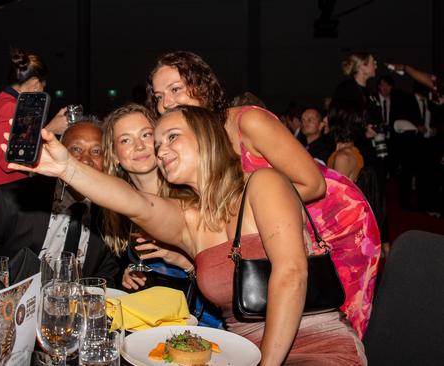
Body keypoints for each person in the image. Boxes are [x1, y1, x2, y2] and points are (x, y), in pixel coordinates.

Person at [6, 106, 366, 365]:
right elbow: (134, 203)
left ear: (208, 138)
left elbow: (291, 275)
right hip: (232, 354)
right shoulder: (190, 220)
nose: (160, 150)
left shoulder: (263, 185)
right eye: (158, 142)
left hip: (314, 346)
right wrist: (67, 168)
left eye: (171, 137)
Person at [145, 50, 380, 338]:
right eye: (158, 96)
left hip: (337, 224)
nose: (165, 103)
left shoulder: (247, 123)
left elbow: (313, 185)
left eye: (175, 89)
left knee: (331, 315)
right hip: (284, 229)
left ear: (201, 86)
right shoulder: (191, 144)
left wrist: (259, 205)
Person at [100, 103, 224, 328]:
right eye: (125, 140)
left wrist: (182, 260)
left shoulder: (191, 196)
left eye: (146, 135)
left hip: (203, 321)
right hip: (152, 322)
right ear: (114, 155)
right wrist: (127, 275)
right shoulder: (116, 209)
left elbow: (229, 276)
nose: (139, 146)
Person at [0, 121, 119, 286]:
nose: (85, 160)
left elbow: (106, 273)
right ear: (58, 153)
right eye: (76, 149)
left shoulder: (110, 212)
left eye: (96, 151)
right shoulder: (12, 200)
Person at [0, 48, 68, 233]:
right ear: (34, 83)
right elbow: (12, 159)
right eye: (43, 83)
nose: (43, 89)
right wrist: (50, 129)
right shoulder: (9, 107)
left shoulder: (5, 101)